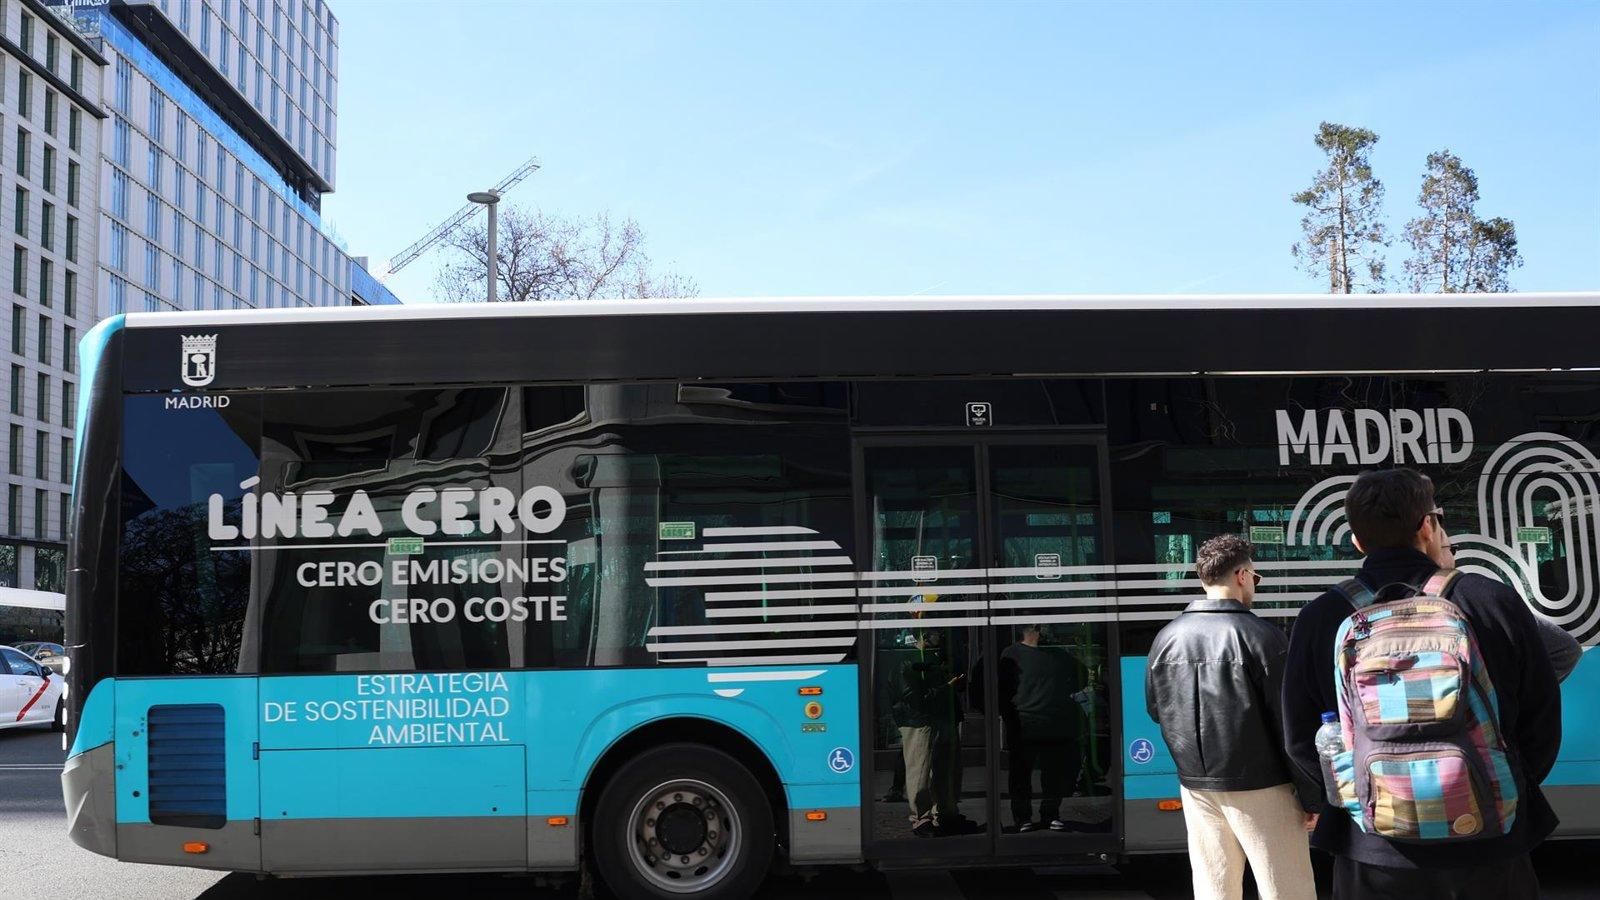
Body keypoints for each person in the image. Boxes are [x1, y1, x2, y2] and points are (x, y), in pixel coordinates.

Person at [1281, 468, 1562, 899]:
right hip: (1489, 838)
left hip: (1373, 848)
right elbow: (1542, 717)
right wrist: (1502, 784)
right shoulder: (1492, 601)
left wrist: (1359, 798)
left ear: (1358, 540)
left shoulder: (1320, 617)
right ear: (1427, 526)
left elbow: (1301, 738)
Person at [1146, 534, 1316, 900]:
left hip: (1196, 787)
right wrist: (1312, 795)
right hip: (1264, 786)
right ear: (1241, 575)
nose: (1254, 584)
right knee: (1286, 888)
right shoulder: (1264, 637)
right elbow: (1290, 725)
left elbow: (1157, 710)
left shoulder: (1167, 637)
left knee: (1213, 888)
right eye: (1255, 577)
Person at [998, 624, 1080, 832]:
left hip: (1048, 721)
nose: (1049, 629)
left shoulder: (1055, 654)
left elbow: (1079, 675)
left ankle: (1048, 814)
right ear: (1034, 628)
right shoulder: (1013, 654)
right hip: (1024, 722)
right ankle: (1024, 817)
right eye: (1045, 625)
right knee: (1022, 775)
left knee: (1051, 773)